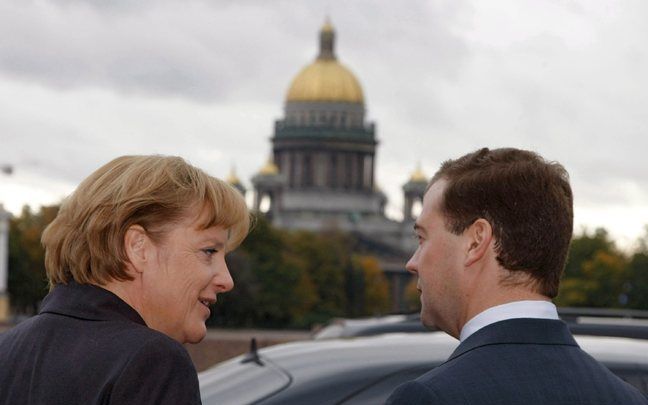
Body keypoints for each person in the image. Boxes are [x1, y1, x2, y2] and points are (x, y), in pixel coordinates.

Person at [386, 148, 647, 404]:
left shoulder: (431, 397)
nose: (412, 262)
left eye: (422, 238)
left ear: (476, 241)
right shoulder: (626, 397)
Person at [0, 155, 250, 405]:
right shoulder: (153, 362)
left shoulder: (8, 348)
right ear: (138, 247)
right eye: (209, 252)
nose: (226, 281)